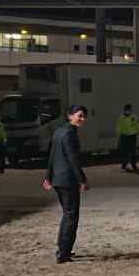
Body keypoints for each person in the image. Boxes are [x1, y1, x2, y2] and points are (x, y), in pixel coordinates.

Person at [43, 105, 89, 263]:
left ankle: (63, 248)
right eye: (80, 115)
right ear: (70, 116)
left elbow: (52, 155)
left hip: (57, 179)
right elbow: (73, 159)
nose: (82, 119)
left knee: (67, 214)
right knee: (71, 215)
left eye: (84, 116)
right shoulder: (70, 134)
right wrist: (82, 179)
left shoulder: (58, 131)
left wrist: (48, 177)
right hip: (68, 180)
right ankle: (64, 252)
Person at [115, 103, 139, 173]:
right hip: (124, 136)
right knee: (124, 152)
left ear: (131, 110)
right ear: (124, 110)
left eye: (129, 110)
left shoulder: (134, 117)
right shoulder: (122, 118)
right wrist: (118, 135)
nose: (128, 111)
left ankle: (133, 165)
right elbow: (119, 127)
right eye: (126, 110)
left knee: (132, 152)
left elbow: (138, 125)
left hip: (132, 136)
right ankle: (124, 164)